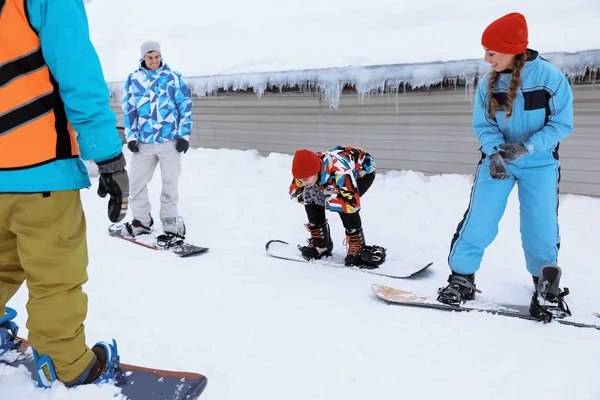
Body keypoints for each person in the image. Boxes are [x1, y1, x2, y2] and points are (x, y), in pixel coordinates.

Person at [0, 0, 128, 387]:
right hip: (39, 170)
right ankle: (67, 366)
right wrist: (107, 156)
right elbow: (78, 72)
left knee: (2, 263)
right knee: (55, 273)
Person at [437, 13, 574, 316]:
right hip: (499, 161)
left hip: (539, 164)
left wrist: (527, 147)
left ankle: (544, 283)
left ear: (513, 49)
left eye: (491, 51)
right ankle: (461, 277)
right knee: (481, 219)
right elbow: (483, 124)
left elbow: (562, 124)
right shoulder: (489, 84)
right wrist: (495, 152)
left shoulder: (551, 78)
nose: (486, 58)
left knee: (541, 225)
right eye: (485, 51)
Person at [122, 40, 193, 240]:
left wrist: (183, 135)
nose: (153, 61)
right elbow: (130, 111)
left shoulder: (173, 78)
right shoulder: (134, 79)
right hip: (144, 144)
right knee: (136, 183)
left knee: (170, 183)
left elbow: (185, 108)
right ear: (143, 58)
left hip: (170, 142)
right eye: (149, 57)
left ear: (161, 56)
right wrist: (132, 137)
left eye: (156, 57)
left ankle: (170, 222)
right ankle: (142, 221)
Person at [289, 146, 386, 268]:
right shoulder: (304, 172)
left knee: (345, 206)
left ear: (316, 171)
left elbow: (352, 203)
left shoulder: (341, 173)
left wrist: (326, 199)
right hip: (329, 175)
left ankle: (357, 247)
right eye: (300, 180)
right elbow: (294, 193)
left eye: (305, 180)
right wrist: (309, 197)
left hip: (363, 171)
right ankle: (321, 243)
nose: (303, 183)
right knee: (311, 197)